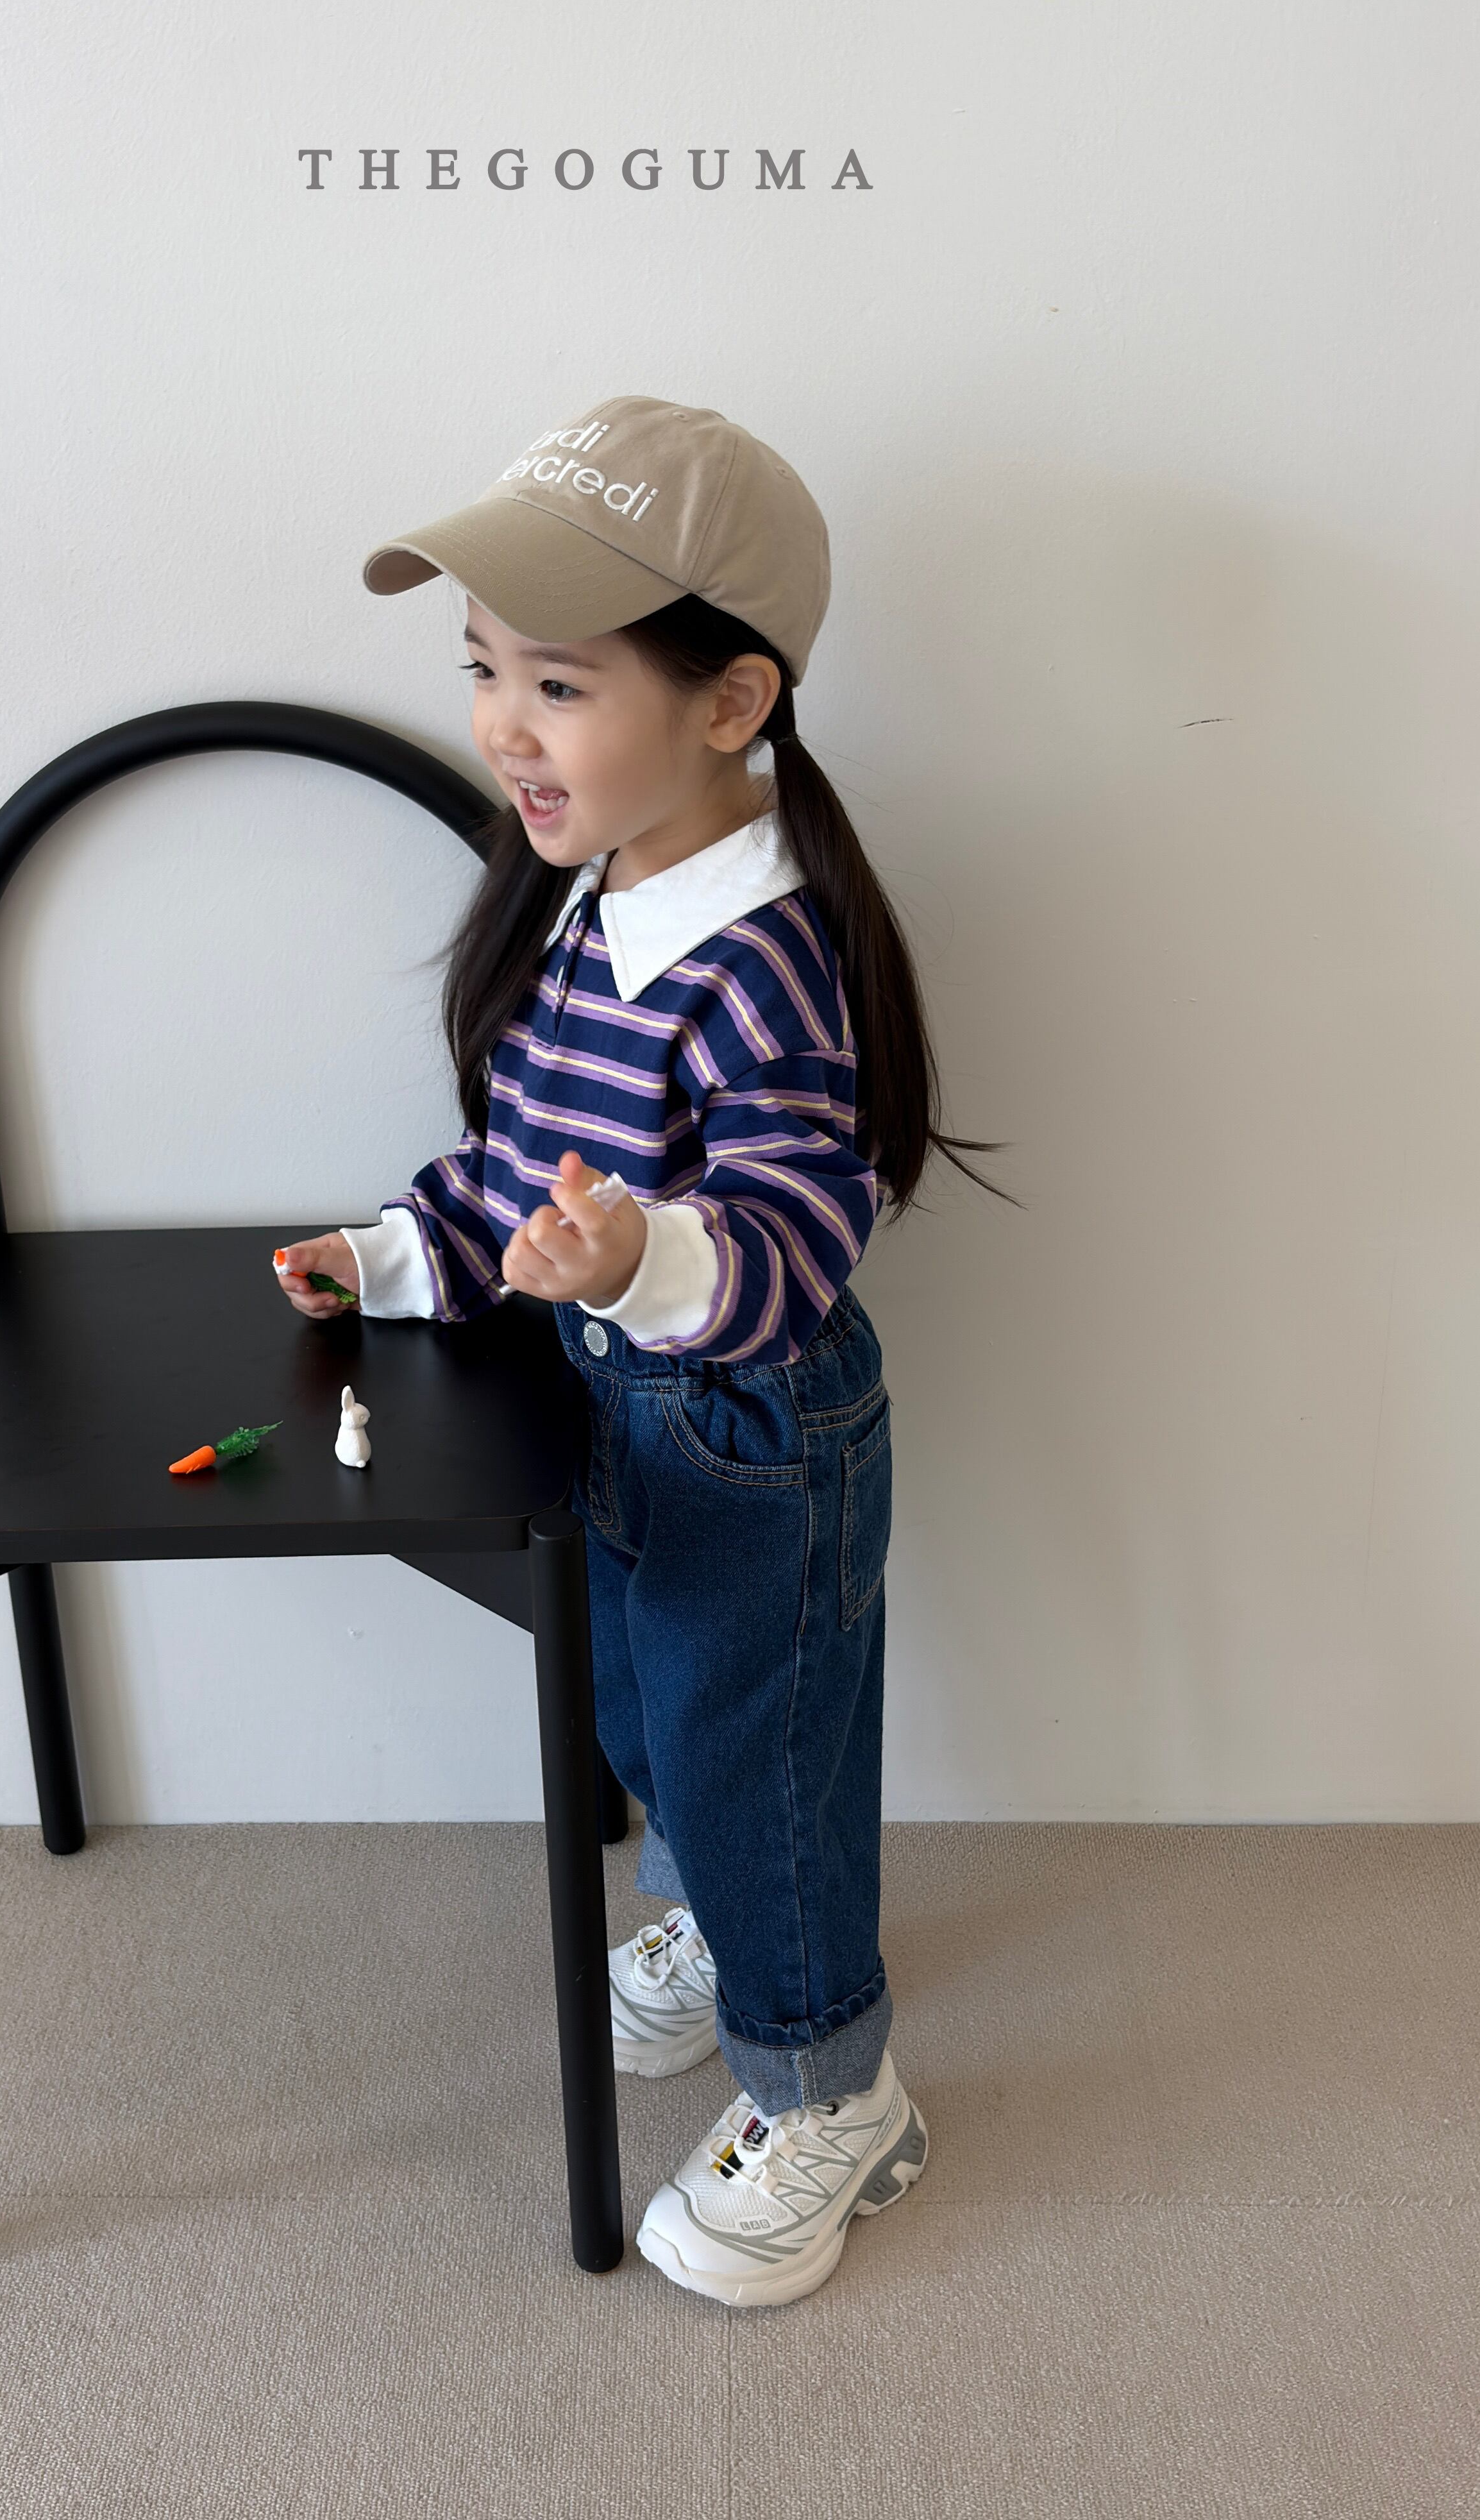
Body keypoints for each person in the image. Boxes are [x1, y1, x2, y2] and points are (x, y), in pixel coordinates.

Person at [274, 394, 1010, 2306]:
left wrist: (637, 1256)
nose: (504, 728)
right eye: (483, 671)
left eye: (559, 684)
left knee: (759, 1767)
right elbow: (520, 1167)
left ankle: (833, 2091)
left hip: (752, 1431)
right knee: (646, 1720)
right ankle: (710, 1925)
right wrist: (398, 1254)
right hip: (610, 1410)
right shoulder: (589, 906)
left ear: (729, 700)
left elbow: (798, 1233)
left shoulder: (762, 959)